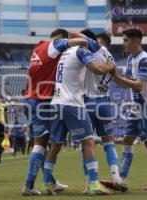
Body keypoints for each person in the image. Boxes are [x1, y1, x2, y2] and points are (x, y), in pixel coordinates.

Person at [41, 35, 116, 195]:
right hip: (72, 103)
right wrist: (110, 65)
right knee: (88, 142)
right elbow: (97, 68)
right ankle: (94, 185)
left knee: (55, 145)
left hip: (56, 102)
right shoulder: (81, 51)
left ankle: (46, 184)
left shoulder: (63, 53)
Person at [102, 28, 147, 190]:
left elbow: (139, 85)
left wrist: (117, 77)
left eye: (126, 40)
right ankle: (121, 180)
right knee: (127, 140)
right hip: (136, 107)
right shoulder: (130, 58)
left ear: (136, 41)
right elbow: (125, 80)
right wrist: (112, 73)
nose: (123, 43)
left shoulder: (144, 59)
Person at [21, 28, 87, 195]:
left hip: (30, 98)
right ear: (59, 38)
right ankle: (28, 186)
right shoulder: (55, 44)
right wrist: (84, 40)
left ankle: (51, 181)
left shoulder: (38, 47)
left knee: (42, 143)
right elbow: (78, 42)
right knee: (40, 144)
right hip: (41, 100)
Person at [81, 30, 127, 193]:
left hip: (87, 101)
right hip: (105, 101)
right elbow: (116, 76)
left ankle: (88, 183)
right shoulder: (109, 56)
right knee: (109, 141)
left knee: (86, 144)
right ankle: (116, 176)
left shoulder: (85, 52)